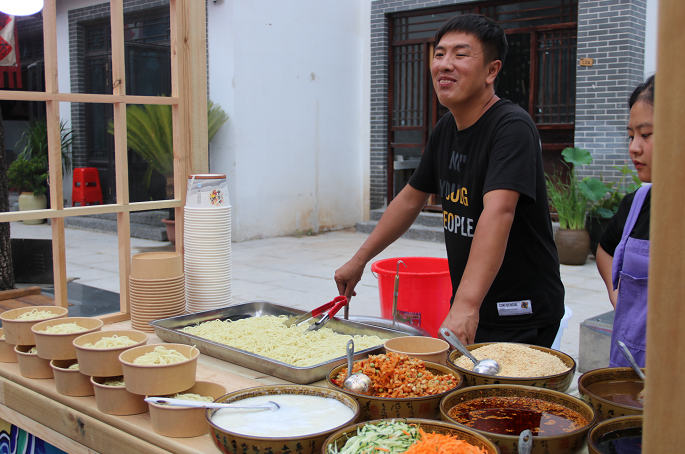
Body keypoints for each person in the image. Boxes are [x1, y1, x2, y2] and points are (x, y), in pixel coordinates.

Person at [335, 14, 564, 347]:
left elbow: (499, 212)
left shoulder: (511, 127)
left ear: (491, 71)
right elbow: (411, 199)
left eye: (460, 54)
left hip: (519, 310)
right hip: (475, 304)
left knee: (502, 400)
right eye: (439, 54)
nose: (444, 64)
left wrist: (466, 305)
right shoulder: (446, 129)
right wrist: (359, 260)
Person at [596, 75, 655, 368]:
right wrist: (616, 294)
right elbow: (605, 250)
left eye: (646, 135)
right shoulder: (637, 203)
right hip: (627, 360)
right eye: (631, 135)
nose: (634, 147)